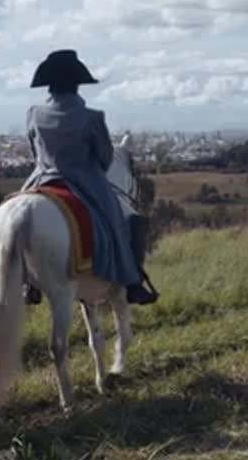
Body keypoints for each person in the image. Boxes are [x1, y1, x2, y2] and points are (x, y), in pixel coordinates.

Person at [21, 49, 158, 305]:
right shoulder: (93, 117)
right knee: (124, 221)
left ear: (48, 85)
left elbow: (34, 151)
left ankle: (21, 280)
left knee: (12, 209)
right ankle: (133, 282)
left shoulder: (34, 114)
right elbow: (105, 158)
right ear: (77, 84)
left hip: (41, 178)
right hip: (85, 180)